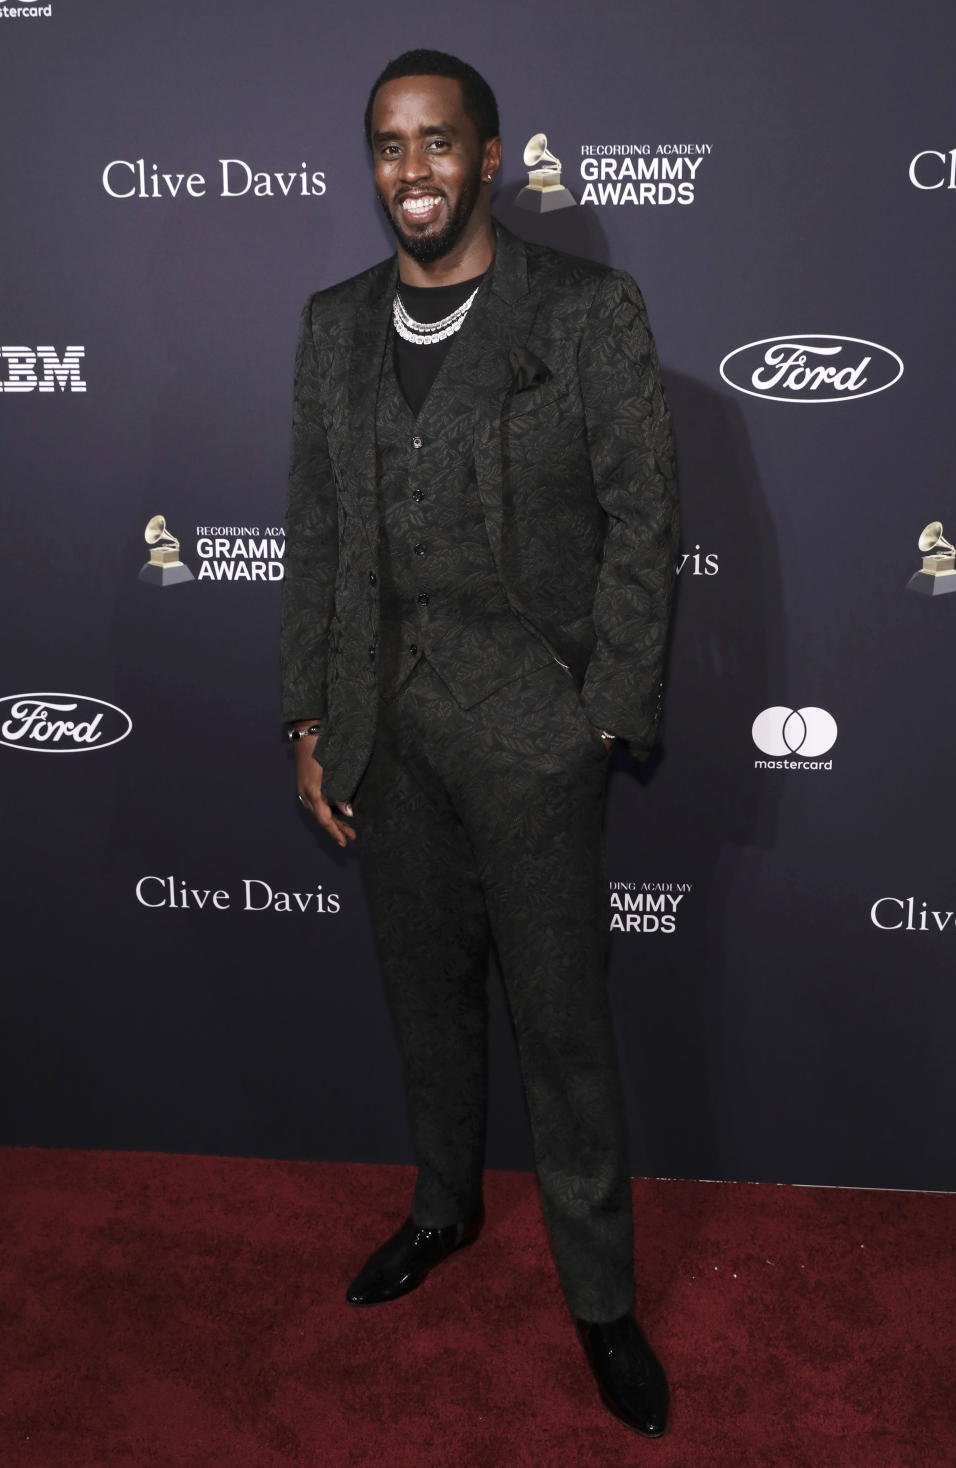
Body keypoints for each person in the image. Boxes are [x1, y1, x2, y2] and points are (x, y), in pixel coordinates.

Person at [281, 49, 679, 1438]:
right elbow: (319, 535)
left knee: (562, 1029)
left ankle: (603, 1301)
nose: (414, 171)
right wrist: (313, 715)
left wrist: (606, 712)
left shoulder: (583, 314)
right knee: (427, 1001)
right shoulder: (333, 327)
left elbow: (644, 519)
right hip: (391, 727)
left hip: (536, 735)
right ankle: (442, 1210)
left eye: (439, 142)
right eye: (391, 146)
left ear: (491, 157)